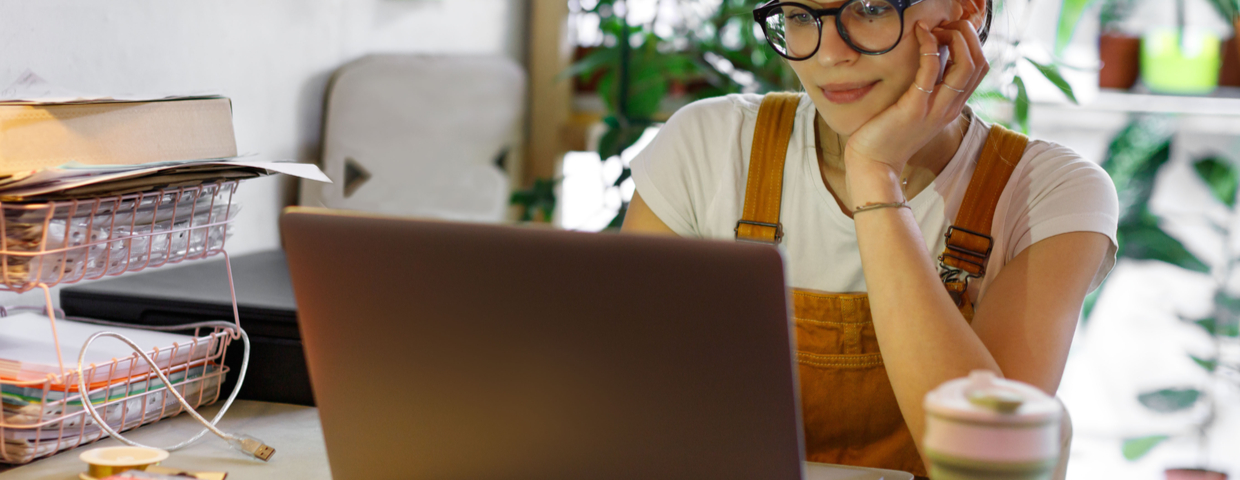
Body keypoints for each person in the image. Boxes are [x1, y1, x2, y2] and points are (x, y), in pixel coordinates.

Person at [621, 0, 1119, 477]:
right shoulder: (708, 146)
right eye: (800, 15)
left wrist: (875, 176)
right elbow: (621, 409)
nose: (830, 52)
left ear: (966, 8)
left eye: (871, 8)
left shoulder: (1049, 191)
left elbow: (990, 463)